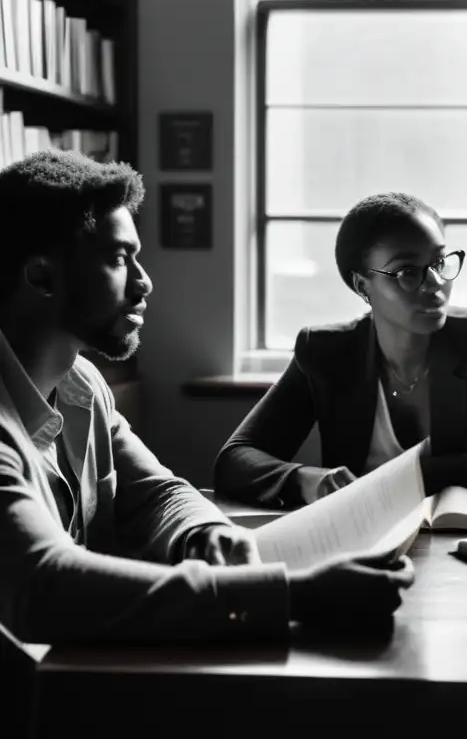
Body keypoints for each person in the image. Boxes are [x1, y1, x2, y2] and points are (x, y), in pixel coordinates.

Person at [0, 150, 413, 644]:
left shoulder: (82, 385)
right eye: (117, 258)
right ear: (42, 277)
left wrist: (205, 533)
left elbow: (159, 493)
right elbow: (43, 587)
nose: (144, 281)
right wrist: (295, 596)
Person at [214, 192, 467, 509]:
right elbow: (234, 460)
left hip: (458, 541)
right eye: (407, 271)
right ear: (363, 286)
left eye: (439, 262)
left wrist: (405, 478)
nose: (435, 283)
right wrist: (305, 480)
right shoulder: (324, 352)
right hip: (357, 543)